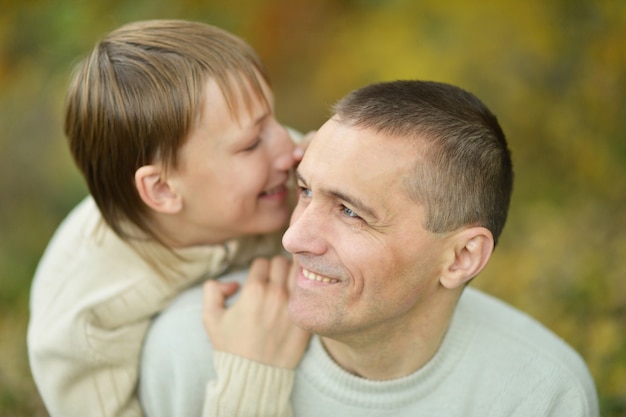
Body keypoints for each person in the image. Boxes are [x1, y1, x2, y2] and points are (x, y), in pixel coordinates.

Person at [139, 80, 600, 416]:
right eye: (304, 191)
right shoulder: (190, 350)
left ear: (461, 258)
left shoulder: (541, 394)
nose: (293, 238)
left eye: (350, 212)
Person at [27, 19, 310, 417]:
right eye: (250, 144)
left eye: (273, 120)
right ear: (162, 189)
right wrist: (250, 377)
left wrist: (336, 174)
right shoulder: (87, 324)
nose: (287, 148)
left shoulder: (276, 174)